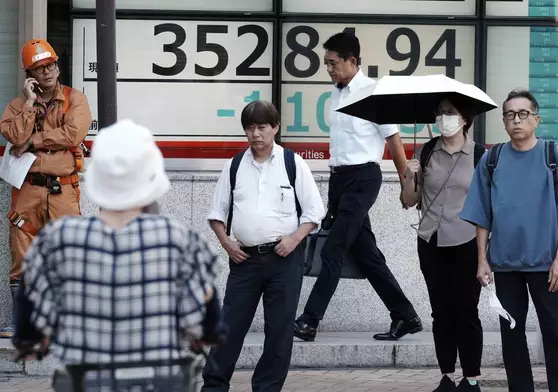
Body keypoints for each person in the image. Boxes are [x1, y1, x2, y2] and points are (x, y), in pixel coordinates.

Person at [12, 119, 224, 387]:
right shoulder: (178, 239)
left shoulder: (57, 239)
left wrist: (32, 340)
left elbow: (31, 313)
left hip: (85, 382)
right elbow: (203, 321)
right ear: (151, 176)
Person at [460, 89, 558, 392]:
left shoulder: (552, 156)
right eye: (509, 115)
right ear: (504, 122)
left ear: (536, 119)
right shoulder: (492, 159)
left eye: (523, 114)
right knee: (511, 332)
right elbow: (482, 214)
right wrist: (482, 260)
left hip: (546, 263)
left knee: (555, 332)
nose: (516, 120)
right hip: (505, 263)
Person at [294, 31, 422, 343]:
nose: (329, 69)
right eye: (326, 63)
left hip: (364, 178)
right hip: (340, 181)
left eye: (333, 63)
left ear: (353, 61)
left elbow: (393, 140)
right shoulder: (336, 93)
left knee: (334, 248)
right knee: (367, 255)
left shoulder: (374, 93)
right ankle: (405, 315)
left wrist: (407, 185)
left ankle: (310, 320)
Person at [201, 100, 325, 392]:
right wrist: (227, 243)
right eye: (250, 128)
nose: (256, 134)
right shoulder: (234, 166)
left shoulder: (292, 163)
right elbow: (217, 214)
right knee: (228, 328)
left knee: (279, 331)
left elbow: (314, 213)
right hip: (244, 260)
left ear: (275, 128)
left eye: (262, 127)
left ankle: (267, 388)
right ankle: (214, 386)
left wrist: (294, 239)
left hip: (284, 261)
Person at [0, 38, 91, 338]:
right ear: (29, 75)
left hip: (63, 190)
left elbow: (73, 132)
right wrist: (28, 104)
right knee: (22, 254)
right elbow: (14, 135)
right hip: (27, 190)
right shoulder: (16, 106)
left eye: (50, 65)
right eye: (39, 68)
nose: (47, 72)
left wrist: (34, 141)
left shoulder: (75, 99)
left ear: (57, 66)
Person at [401, 97, 485, 392]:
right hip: (430, 240)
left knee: (466, 311)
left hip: (466, 241)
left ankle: (471, 377)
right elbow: (409, 201)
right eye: (439, 113)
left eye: (450, 113)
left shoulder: (479, 155)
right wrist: (409, 175)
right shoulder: (426, 151)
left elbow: (489, 207)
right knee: (441, 311)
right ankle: (447, 375)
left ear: (465, 119)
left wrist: (485, 255)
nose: (443, 118)